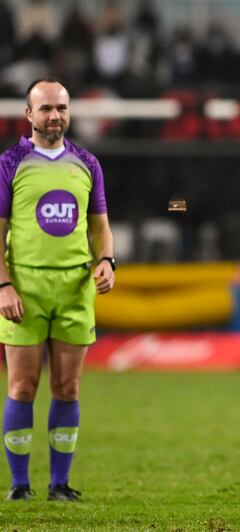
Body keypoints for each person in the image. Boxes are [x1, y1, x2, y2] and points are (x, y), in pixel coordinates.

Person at [0, 79, 115, 501]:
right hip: (24, 288)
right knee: (22, 387)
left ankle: (60, 485)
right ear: (28, 114)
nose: (55, 116)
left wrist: (106, 261)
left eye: (62, 108)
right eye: (46, 108)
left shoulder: (87, 163)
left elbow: (100, 227)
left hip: (74, 287)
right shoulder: (10, 163)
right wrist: (3, 284)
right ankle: (18, 485)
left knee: (67, 387)